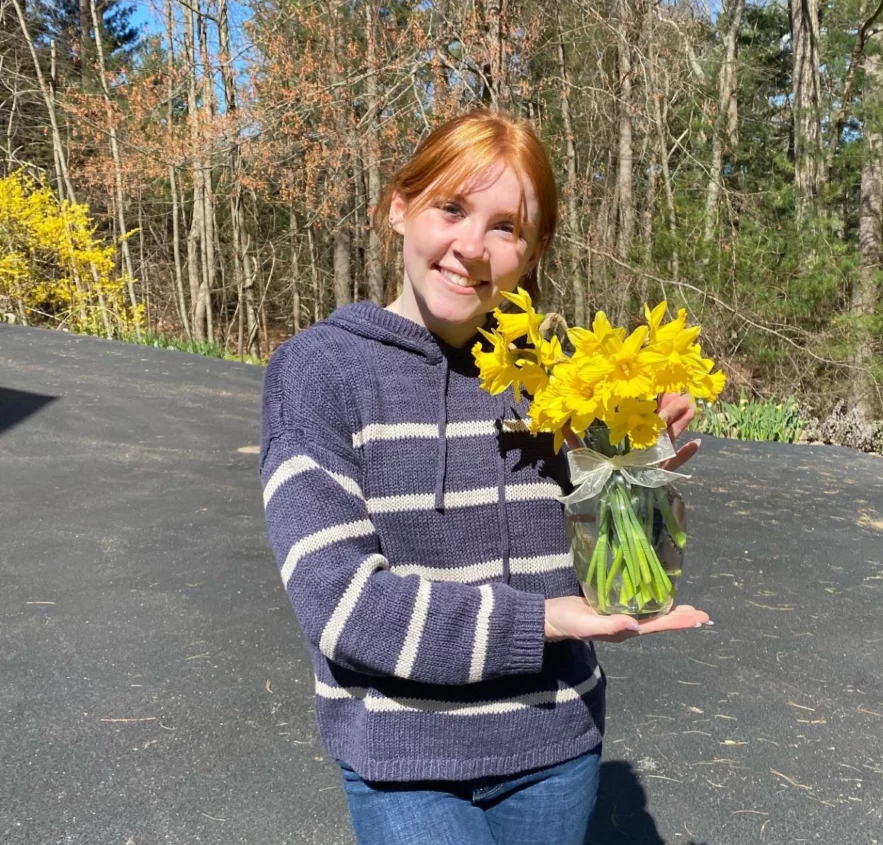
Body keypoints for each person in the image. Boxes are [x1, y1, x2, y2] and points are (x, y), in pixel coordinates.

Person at [259, 110, 710, 845]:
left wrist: (635, 467)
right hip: (405, 756)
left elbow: (602, 554)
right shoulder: (319, 373)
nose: (472, 247)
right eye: (452, 208)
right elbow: (341, 604)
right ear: (400, 206)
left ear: (531, 253)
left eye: (507, 227)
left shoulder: (555, 379)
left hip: (554, 743)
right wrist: (541, 620)